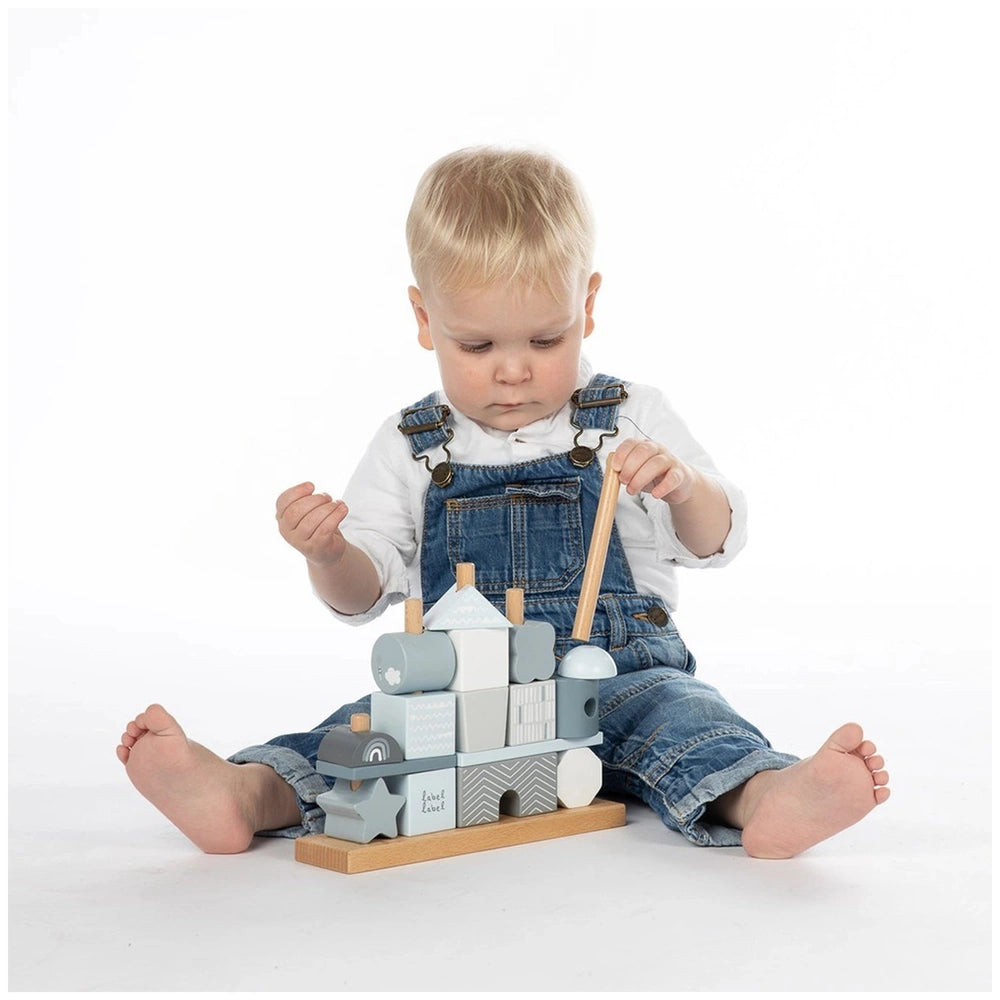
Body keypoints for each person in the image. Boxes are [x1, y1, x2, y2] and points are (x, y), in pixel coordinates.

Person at [117, 147, 889, 859]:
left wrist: (684, 489)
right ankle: (249, 792)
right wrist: (329, 554)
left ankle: (765, 796)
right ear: (426, 320)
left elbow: (720, 539)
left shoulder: (631, 414)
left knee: (688, 719)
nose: (513, 372)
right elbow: (361, 597)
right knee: (368, 736)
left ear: (588, 305)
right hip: (459, 694)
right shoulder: (413, 443)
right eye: (479, 347)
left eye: (546, 341)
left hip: (618, 675)